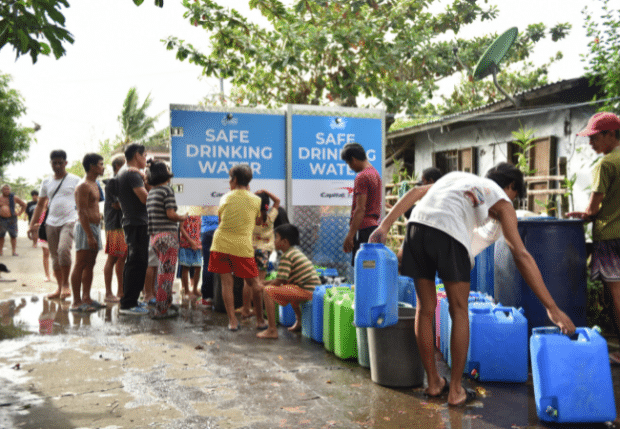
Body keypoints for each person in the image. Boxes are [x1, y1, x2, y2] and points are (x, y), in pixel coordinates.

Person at [369, 162, 576, 407]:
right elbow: (521, 254)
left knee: (424, 308)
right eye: (514, 194)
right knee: (458, 311)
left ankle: (434, 383)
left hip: (417, 227)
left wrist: (385, 225)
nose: (511, 200)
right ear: (510, 187)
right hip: (448, 233)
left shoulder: (457, 178)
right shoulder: (501, 200)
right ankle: (455, 390)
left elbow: (415, 193)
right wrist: (552, 307)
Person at [567, 112, 620, 365]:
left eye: (595, 138)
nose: (591, 144)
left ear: (611, 134)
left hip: (610, 237)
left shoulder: (607, 164)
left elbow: (594, 208)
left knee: (617, 295)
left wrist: (584, 215)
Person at [207, 164, 266, 331]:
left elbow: (220, 222)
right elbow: (256, 222)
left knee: (227, 284)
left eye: (229, 178)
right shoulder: (256, 200)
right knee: (254, 283)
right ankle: (261, 321)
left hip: (220, 244)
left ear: (234, 180)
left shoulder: (225, 198)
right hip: (242, 246)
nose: (229, 182)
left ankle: (232, 321)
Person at [28, 150, 81, 300]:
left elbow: (83, 199)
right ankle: (59, 288)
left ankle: (66, 285)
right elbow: (40, 205)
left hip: (69, 221)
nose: (57, 165)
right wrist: (32, 225)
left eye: (60, 162)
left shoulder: (75, 180)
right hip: (50, 223)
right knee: (54, 257)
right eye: (54, 163)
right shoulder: (46, 182)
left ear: (66, 163)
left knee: (63, 250)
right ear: (50, 163)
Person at [257, 224, 321, 339]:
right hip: (311, 290)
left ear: (285, 241)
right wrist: (261, 282)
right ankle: (299, 322)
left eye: (276, 237)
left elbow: (279, 281)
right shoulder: (293, 252)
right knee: (290, 289)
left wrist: (262, 285)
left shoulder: (287, 256)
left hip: (306, 291)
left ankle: (272, 330)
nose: (273, 240)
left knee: (267, 291)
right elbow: (281, 280)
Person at [145, 159, 187, 319]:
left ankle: (166, 304)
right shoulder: (167, 191)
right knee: (166, 274)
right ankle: (161, 310)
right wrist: (182, 217)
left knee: (163, 271)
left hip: (155, 237)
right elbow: (170, 214)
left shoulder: (151, 193)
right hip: (168, 237)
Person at [116, 143, 150, 316]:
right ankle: (128, 304)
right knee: (136, 262)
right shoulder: (132, 173)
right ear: (137, 155)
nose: (145, 159)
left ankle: (132, 300)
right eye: (144, 155)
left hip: (134, 222)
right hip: (136, 223)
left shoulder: (126, 172)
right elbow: (145, 199)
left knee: (137, 262)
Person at [69, 153, 106, 312]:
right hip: (86, 228)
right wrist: (90, 235)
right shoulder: (83, 185)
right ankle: (76, 302)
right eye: (100, 164)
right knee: (80, 263)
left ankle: (86, 298)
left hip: (95, 227)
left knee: (90, 264)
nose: (103, 167)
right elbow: (82, 212)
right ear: (92, 166)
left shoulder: (95, 184)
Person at [240, 189, 280, 319]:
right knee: (259, 282)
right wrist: (266, 192)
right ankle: (258, 313)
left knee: (247, 283)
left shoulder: (249, 217)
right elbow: (278, 201)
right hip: (264, 251)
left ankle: (246, 309)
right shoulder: (270, 217)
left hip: (249, 250)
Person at [340, 142, 382, 265]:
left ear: (353, 159)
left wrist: (350, 235)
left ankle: (364, 285)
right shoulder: (375, 173)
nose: (350, 167)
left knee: (362, 266)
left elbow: (360, 209)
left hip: (363, 229)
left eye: (349, 163)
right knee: (370, 264)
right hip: (373, 227)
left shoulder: (362, 177)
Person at [103, 155, 127, 303]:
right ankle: (108, 292)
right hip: (115, 224)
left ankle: (120, 290)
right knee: (113, 257)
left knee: (122, 257)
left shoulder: (121, 181)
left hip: (121, 224)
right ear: (118, 166)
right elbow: (117, 205)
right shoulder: (113, 183)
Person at [179, 214, 202, 299]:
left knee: (198, 267)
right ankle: (187, 291)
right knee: (185, 267)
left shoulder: (199, 213)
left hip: (197, 244)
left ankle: (195, 289)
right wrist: (190, 241)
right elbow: (181, 227)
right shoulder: (185, 212)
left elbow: (199, 227)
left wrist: (199, 241)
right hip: (186, 243)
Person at [0, 184, 27, 256]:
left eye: (8, 189)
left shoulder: (14, 197)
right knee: (1, 236)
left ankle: (14, 251)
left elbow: (24, 205)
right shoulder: (0, 198)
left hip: (12, 219)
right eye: (5, 189)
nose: (6, 190)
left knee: (13, 236)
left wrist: (20, 213)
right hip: (1, 219)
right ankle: (0, 251)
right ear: (1, 190)